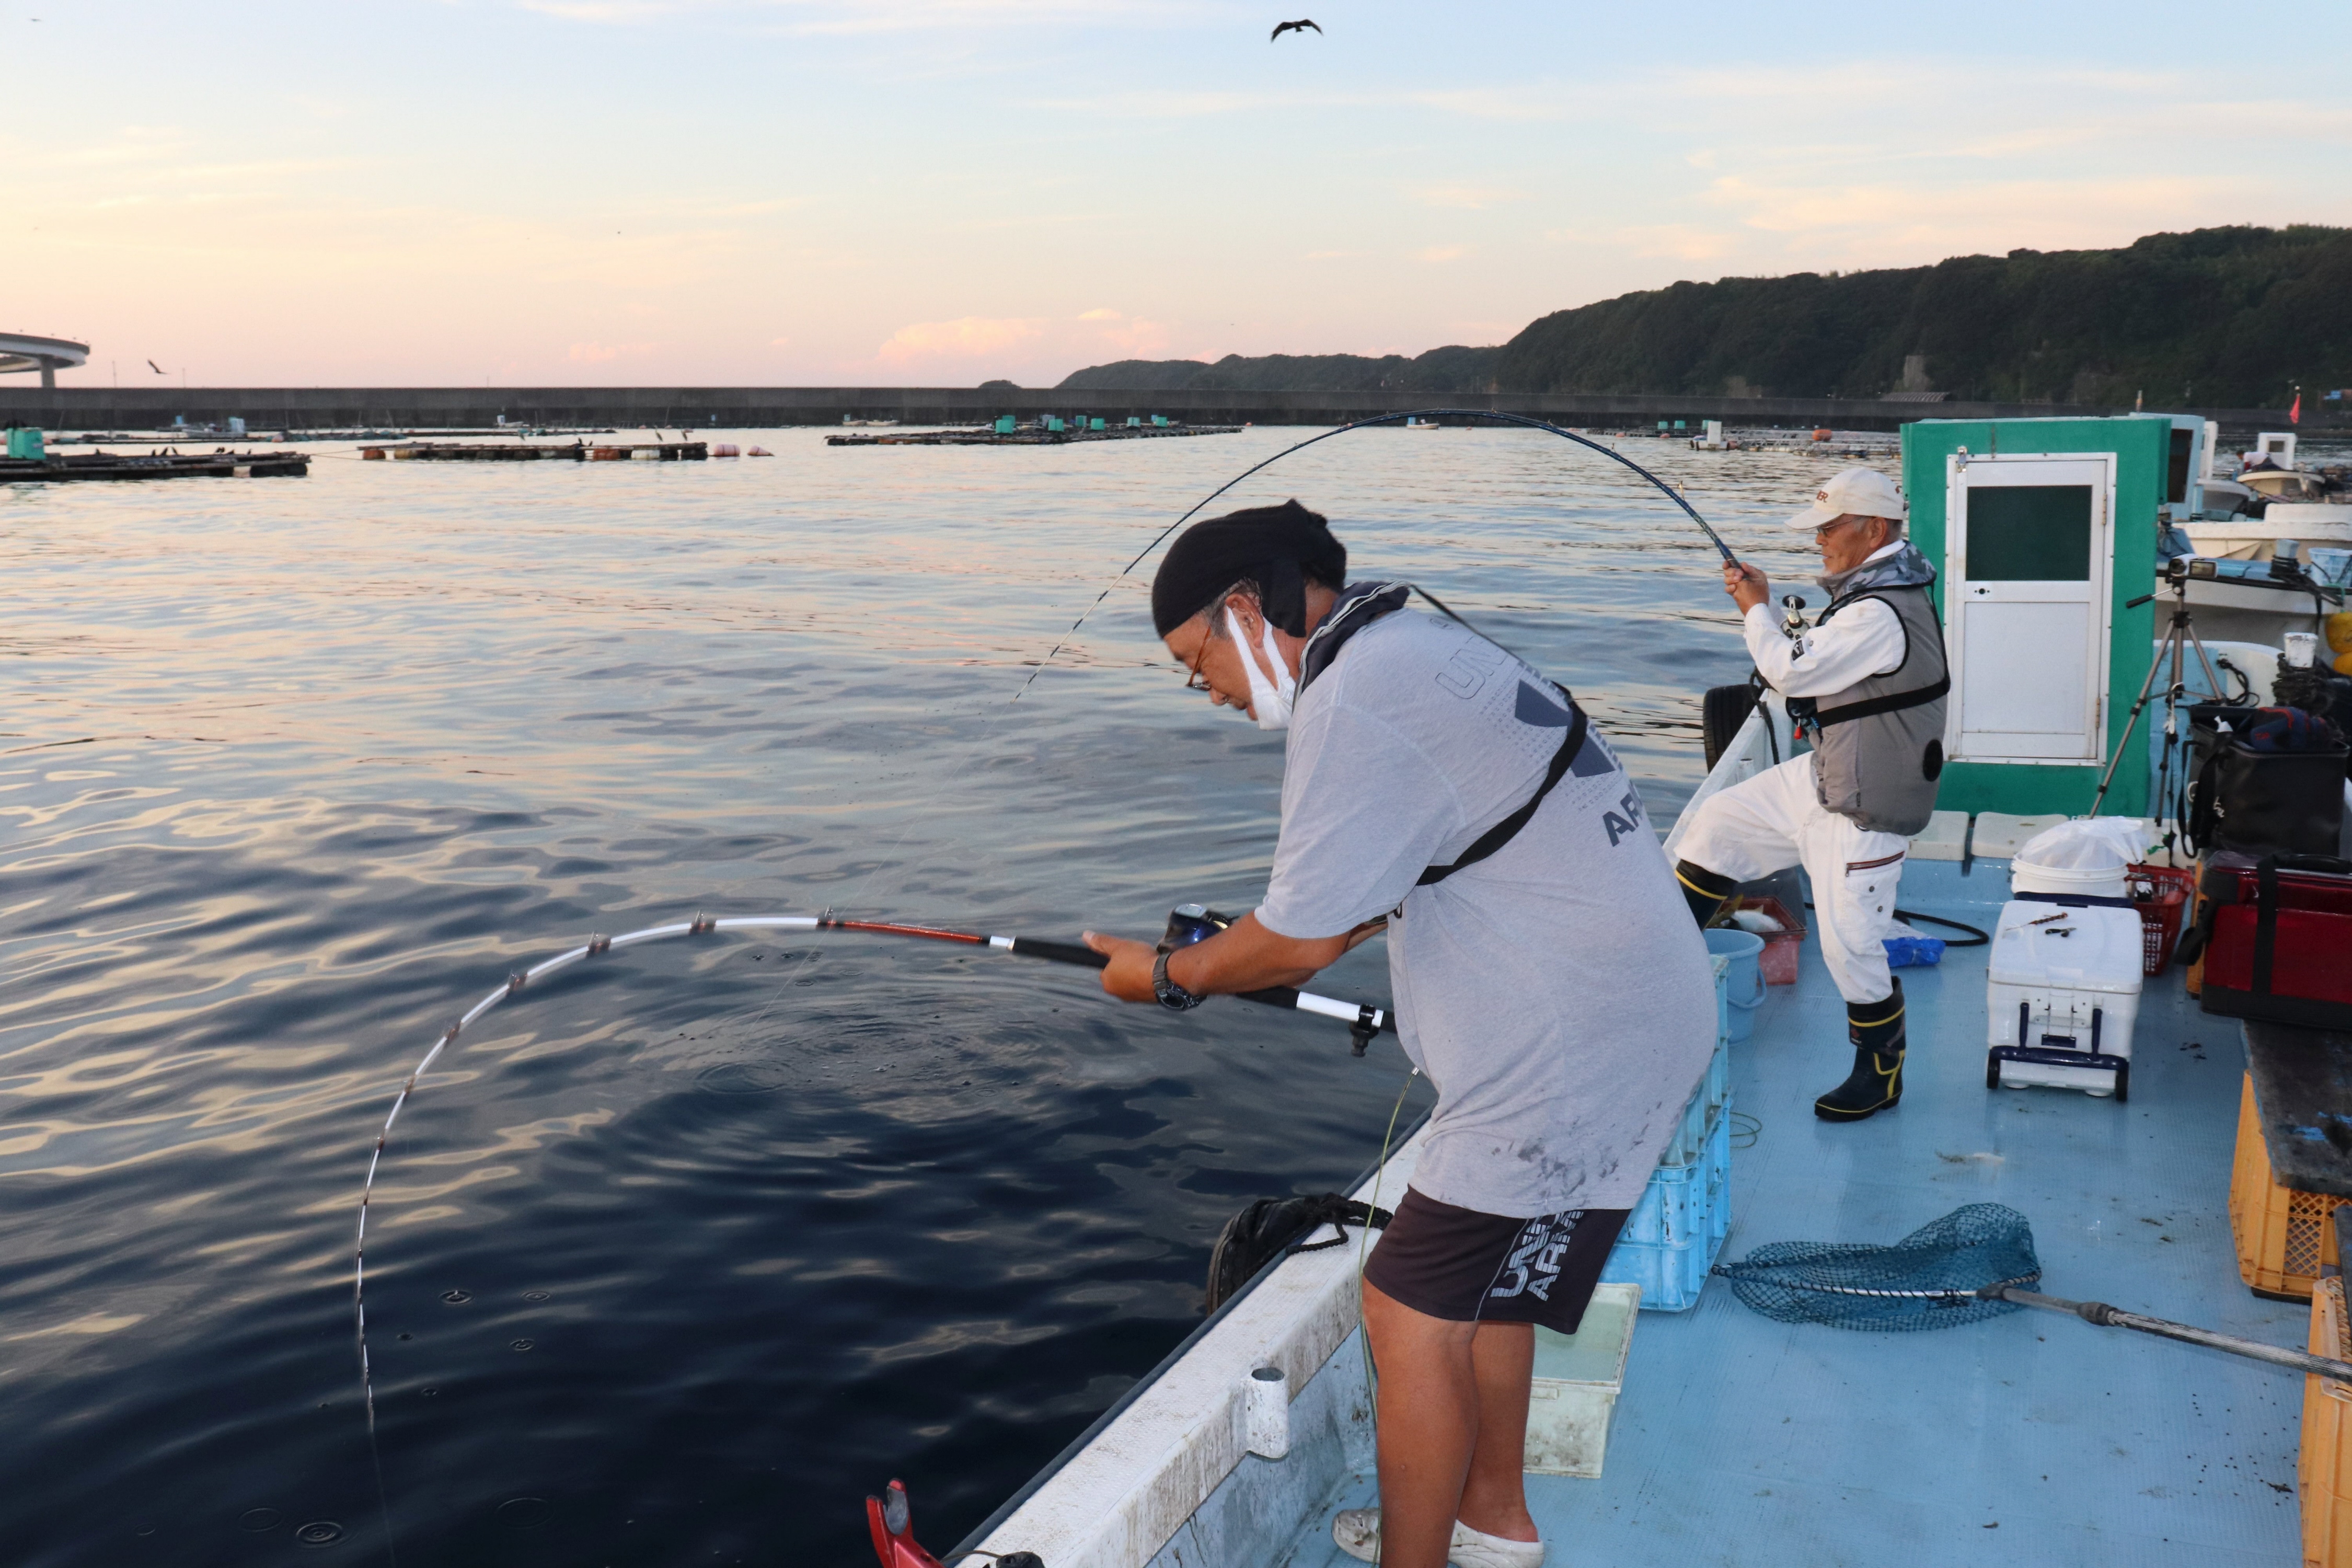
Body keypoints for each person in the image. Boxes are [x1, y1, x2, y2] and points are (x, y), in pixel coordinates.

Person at [1083, 500, 1717, 1568]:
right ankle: (1494, 1523)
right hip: (1637, 1007)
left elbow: (1298, 945)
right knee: (1488, 1291)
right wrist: (1238, 942)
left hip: (1568, 1051)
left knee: (1407, 1307)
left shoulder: (1357, 698)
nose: (1215, 696)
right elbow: (1422, 856)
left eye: (1200, 664)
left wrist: (1168, 975)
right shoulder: (1418, 644)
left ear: (1246, 609)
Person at [1670, 466, 1950, 1122]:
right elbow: (1814, 664)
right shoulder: (1874, 592)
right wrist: (1766, 609)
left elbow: (1789, 669)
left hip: (1866, 801)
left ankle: (1880, 1072)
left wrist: (1755, 610)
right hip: (1830, 772)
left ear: (1873, 529)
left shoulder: (1880, 610)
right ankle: (1669, 955)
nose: (1820, 540)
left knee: (1851, 946)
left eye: (1830, 527)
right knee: (1721, 821)